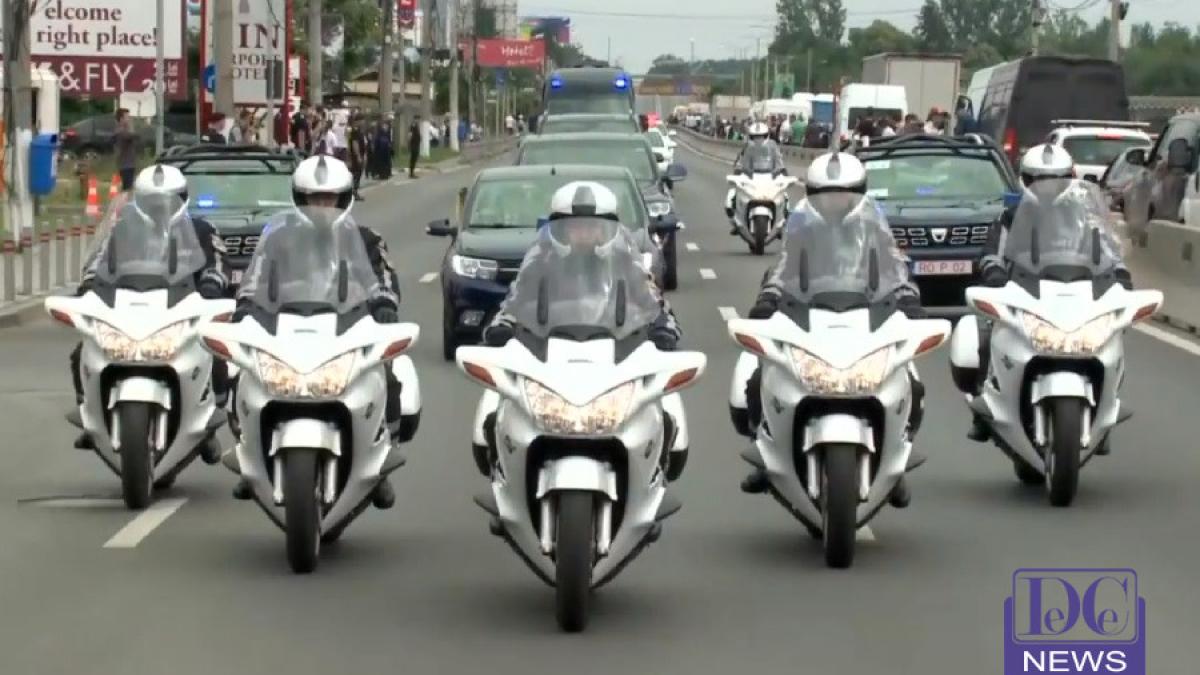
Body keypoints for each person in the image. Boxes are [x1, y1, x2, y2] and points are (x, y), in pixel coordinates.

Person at [736, 152, 926, 504]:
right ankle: (766, 455)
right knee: (759, 378)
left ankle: (893, 464)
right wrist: (768, 298)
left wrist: (907, 297)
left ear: (860, 192)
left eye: (844, 193)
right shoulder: (799, 227)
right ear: (812, 194)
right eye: (826, 193)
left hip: (866, 313)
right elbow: (782, 267)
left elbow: (896, 267)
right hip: (807, 312)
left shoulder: (875, 229)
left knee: (910, 380)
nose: (835, 200)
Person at [473, 182, 687, 487]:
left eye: (591, 226)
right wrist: (501, 325)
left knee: (665, 408)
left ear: (609, 229)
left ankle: (654, 478)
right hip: (549, 352)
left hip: (614, 352)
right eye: (575, 227)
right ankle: (504, 479)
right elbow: (514, 299)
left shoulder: (628, 263)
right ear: (559, 230)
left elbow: (655, 302)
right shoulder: (540, 261)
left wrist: (664, 328)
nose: (584, 233)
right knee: (496, 406)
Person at [228, 154, 404, 506]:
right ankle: (252, 461)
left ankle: (380, 462)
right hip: (286, 323)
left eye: (329, 199)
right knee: (242, 374)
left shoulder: (366, 238)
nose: (321, 206)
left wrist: (384, 303)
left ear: (343, 199)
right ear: (300, 198)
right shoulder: (277, 237)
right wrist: (245, 305)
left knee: (389, 376)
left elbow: (384, 276)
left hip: (348, 325)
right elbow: (255, 276)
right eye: (314, 199)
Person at [962, 143, 1133, 442]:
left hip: (1077, 288)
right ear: (1025, 180)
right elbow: (991, 253)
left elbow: (1108, 248)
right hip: (1025, 289)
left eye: (1056, 178)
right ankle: (984, 408)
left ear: (1071, 177)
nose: (1047, 187)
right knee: (984, 332)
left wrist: (1119, 274)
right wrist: (994, 273)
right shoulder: (1010, 216)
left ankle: (1106, 403)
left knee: (1111, 332)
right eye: (1039, 179)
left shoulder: (1085, 216)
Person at [70, 164, 230, 457]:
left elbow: (218, 263)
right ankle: (90, 414)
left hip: (183, 305)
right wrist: (90, 285)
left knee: (214, 351)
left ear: (182, 199)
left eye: (168, 200)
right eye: (153, 201)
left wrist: (211, 284)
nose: (161, 207)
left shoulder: (201, 229)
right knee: (84, 349)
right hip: (130, 304)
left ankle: (209, 420)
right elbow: (100, 261)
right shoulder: (124, 229)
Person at [726, 121, 788, 234]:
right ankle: (736, 223)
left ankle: (782, 224)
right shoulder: (746, 147)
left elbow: (779, 160)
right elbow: (740, 162)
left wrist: (782, 171)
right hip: (750, 176)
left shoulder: (773, 147)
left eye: (760, 136)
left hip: (769, 176)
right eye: (755, 137)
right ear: (750, 136)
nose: (758, 139)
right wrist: (738, 170)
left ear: (766, 135)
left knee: (784, 195)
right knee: (732, 196)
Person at [114, 109, 139, 191]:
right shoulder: (121, 131)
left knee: (128, 190)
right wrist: (131, 126)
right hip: (126, 165)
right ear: (121, 119)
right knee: (127, 191)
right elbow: (134, 135)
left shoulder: (124, 130)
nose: (129, 119)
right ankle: (121, 203)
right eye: (127, 117)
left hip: (129, 164)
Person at [349, 114, 367, 201]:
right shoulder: (355, 131)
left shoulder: (359, 130)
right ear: (358, 121)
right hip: (356, 156)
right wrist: (358, 156)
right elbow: (355, 144)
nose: (363, 122)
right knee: (356, 173)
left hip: (361, 154)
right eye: (362, 120)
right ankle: (354, 192)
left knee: (358, 173)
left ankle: (354, 191)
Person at [407, 114, 421, 179]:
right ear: (415, 119)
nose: (418, 120)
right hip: (414, 144)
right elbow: (410, 134)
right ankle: (411, 173)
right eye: (418, 119)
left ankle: (412, 172)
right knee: (413, 159)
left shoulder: (416, 125)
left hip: (416, 144)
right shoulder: (413, 125)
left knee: (414, 159)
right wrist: (409, 144)